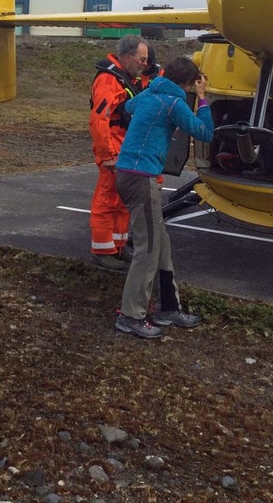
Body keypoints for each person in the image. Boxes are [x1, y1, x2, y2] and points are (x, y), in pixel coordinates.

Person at [114, 57, 214, 339]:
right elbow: (205, 132)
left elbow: (128, 108)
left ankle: (169, 307)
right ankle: (131, 316)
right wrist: (203, 99)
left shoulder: (153, 92)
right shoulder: (173, 102)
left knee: (161, 244)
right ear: (188, 82)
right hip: (141, 176)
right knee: (147, 249)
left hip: (128, 172)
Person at [89, 34, 151, 272]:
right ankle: (102, 250)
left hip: (124, 147)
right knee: (106, 200)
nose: (144, 64)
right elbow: (99, 119)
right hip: (113, 148)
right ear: (127, 57)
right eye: (141, 59)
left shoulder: (126, 78)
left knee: (123, 200)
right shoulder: (108, 81)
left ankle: (117, 246)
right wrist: (106, 155)